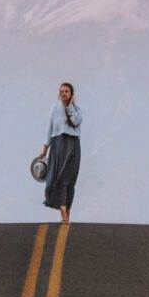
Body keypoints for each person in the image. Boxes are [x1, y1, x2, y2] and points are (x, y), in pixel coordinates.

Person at [40, 82, 82, 224]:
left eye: (66, 91)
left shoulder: (77, 109)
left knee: (70, 181)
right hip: (58, 145)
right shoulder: (54, 109)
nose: (63, 93)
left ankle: (67, 213)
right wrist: (45, 148)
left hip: (73, 145)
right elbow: (49, 129)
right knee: (60, 179)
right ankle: (63, 212)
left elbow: (76, 122)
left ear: (71, 94)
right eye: (62, 91)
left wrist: (70, 106)